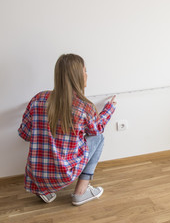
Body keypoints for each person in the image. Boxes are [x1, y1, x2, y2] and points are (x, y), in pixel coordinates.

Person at [18, 54, 116, 205]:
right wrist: (110, 108)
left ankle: (43, 189)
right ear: (79, 76)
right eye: (85, 71)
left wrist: (44, 132)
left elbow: (24, 134)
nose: (87, 75)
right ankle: (80, 193)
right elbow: (97, 129)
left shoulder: (38, 99)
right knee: (99, 138)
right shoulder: (84, 107)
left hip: (35, 175)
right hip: (64, 175)